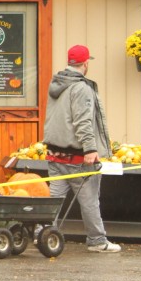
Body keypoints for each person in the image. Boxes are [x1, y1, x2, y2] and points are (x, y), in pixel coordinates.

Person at [43, 44, 121, 253]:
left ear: (70, 62)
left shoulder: (56, 83)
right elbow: (83, 121)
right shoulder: (82, 88)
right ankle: (97, 241)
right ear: (86, 64)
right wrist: (89, 149)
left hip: (55, 154)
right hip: (78, 157)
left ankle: (42, 235)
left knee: (53, 201)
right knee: (89, 201)